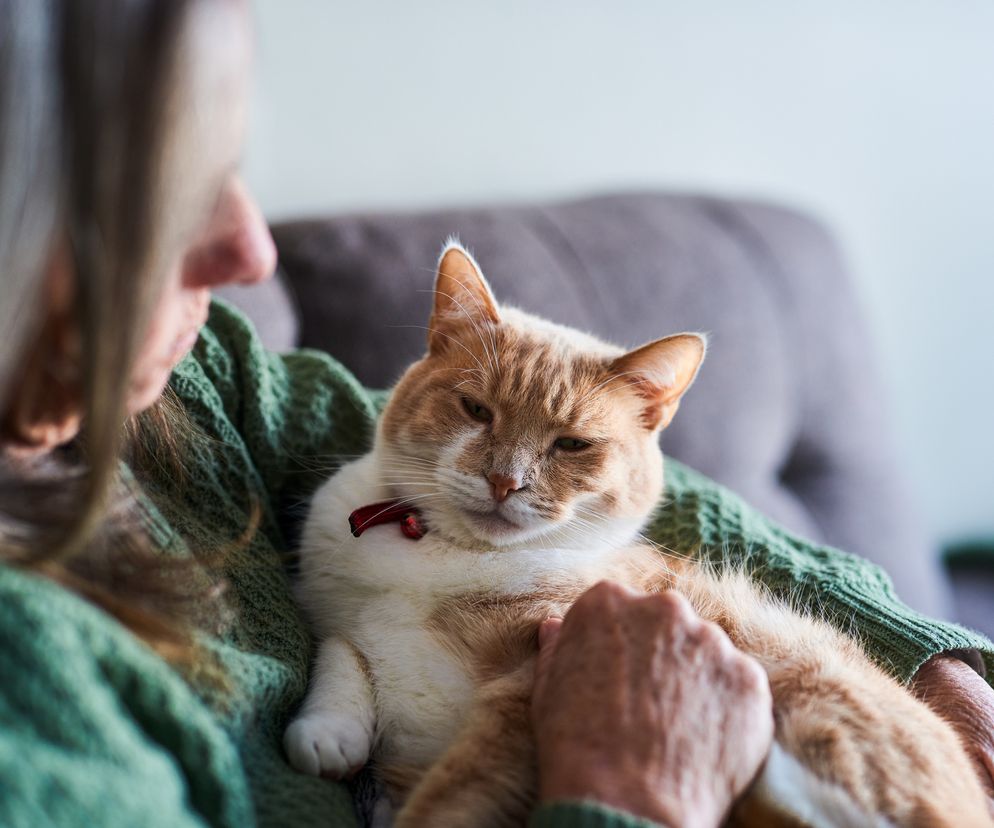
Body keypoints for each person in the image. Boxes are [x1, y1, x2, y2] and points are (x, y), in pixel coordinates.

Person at [0, 1, 991, 826]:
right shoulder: (38, 705)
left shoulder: (191, 372)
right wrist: (631, 790)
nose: (251, 253)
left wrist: (928, 659)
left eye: (230, 172)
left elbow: (654, 491)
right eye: (163, 193)